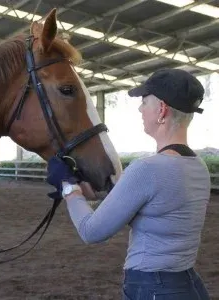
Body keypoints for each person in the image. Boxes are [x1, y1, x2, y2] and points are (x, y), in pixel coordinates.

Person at [47, 68, 211, 300]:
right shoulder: (198, 167)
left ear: (161, 109)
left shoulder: (147, 169)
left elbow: (91, 231)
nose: (140, 109)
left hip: (152, 288)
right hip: (188, 285)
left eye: (144, 102)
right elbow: (143, 206)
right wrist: (83, 189)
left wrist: (68, 187)